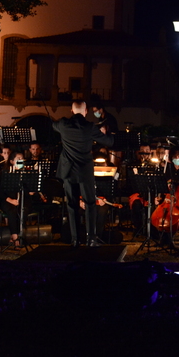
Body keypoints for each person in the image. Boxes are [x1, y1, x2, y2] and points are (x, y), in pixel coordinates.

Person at [54, 100, 114, 247]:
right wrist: (107, 133)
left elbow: (53, 125)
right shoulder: (90, 127)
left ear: (71, 110)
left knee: (72, 205)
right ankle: (91, 239)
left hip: (68, 171)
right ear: (86, 111)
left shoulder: (63, 124)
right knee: (90, 203)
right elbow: (109, 142)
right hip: (84, 170)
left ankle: (75, 240)